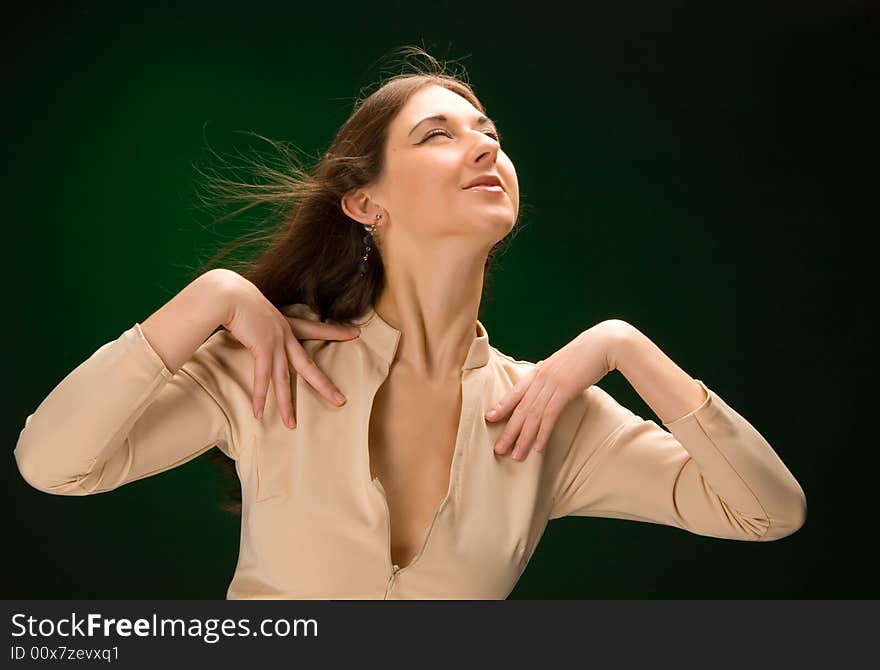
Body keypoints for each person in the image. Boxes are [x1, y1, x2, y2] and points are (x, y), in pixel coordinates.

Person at [13, 48, 807, 599]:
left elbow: (767, 512)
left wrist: (620, 345)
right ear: (365, 204)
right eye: (439, 134)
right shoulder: (275, 364)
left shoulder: (549, 414)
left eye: (490, 133)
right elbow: (54, 464)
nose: (485, 147)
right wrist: (214, 296)